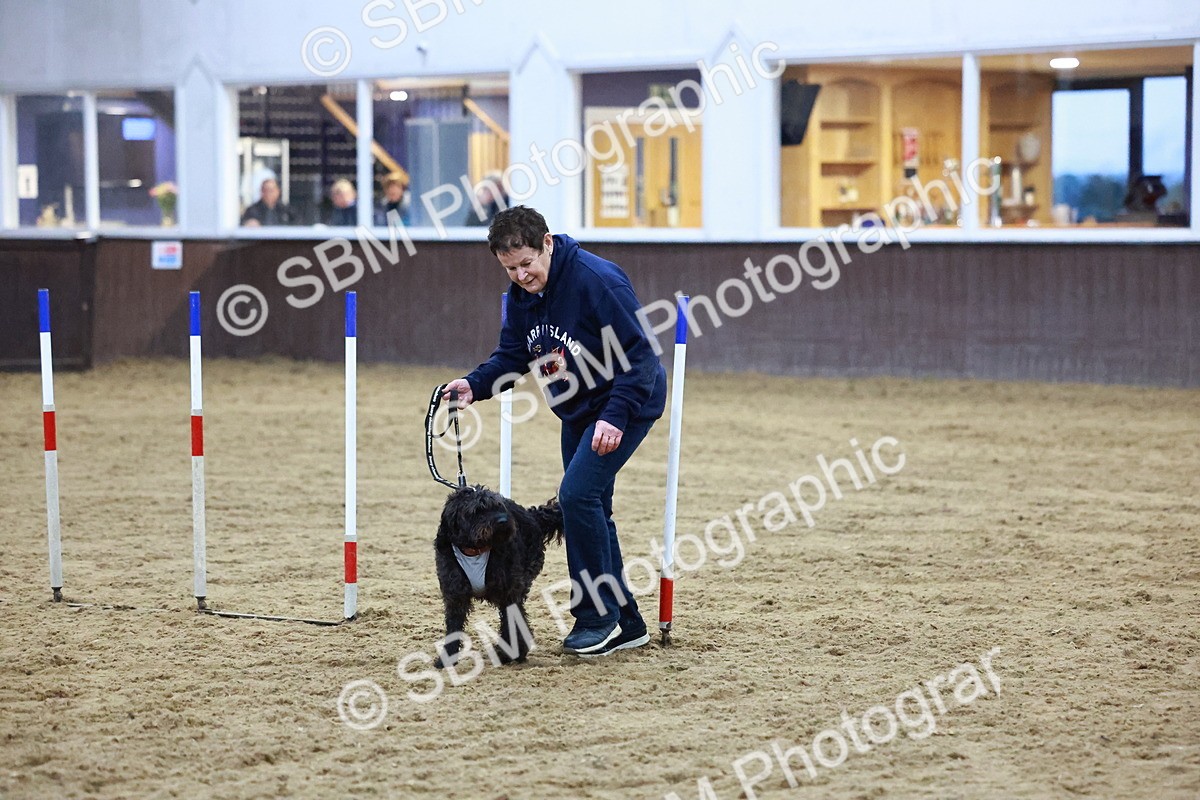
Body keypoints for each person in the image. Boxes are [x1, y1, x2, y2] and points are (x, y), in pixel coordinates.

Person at [443, 206, 666, 657]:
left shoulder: (597, 281)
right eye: (510, 269)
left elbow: (641, 356)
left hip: (627, 401)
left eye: (526, 263)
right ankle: (627, 623)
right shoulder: (522, 295)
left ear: (547, 243)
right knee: (592, 509)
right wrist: (475, 384)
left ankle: (596, 618)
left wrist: (615, 416)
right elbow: (513, 355)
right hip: (579, 409)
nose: (521, 276)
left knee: (576, 497)